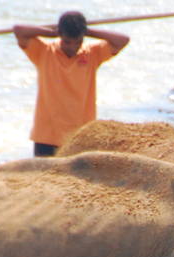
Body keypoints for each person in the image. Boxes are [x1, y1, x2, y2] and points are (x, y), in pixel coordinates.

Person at [13, 11, 130, 157]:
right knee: (44, 178)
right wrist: (51, 33)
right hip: (47, 134)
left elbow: (123, 40)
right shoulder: (44, 52)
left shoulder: (92, 54)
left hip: (80, 135)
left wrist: (87, 31)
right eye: (67, 42)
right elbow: (19, 30)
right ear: (61, 36)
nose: (72, 47)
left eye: (78, 42)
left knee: (78, 180)